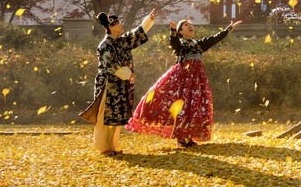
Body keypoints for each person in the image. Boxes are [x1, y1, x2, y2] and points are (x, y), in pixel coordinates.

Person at [128, 18, 240, 147]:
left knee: (193, 106)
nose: (190, 26)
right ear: (181, 31)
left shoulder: (199, 44)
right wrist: (173, 30)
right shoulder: (180, 44)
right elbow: (174, 43)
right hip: (182, 80)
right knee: (182, 105)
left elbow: (214, 38)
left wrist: (229, 29)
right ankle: (181, 136)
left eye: (191, 24)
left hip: (197, 81)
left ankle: (188, 135)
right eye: (186, 25)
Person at [79, 10, 156, 155]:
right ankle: (104, 147)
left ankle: (111, 147)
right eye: (118, 23)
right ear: (111, 26)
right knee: (105, 117)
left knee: (116, 116)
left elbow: (136, 33)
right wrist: (129, 74)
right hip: (108, 85)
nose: (121, 25)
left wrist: (148, 20)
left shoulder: (121, 41)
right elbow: (112, 65)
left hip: (120, 85)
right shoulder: (104, 45)